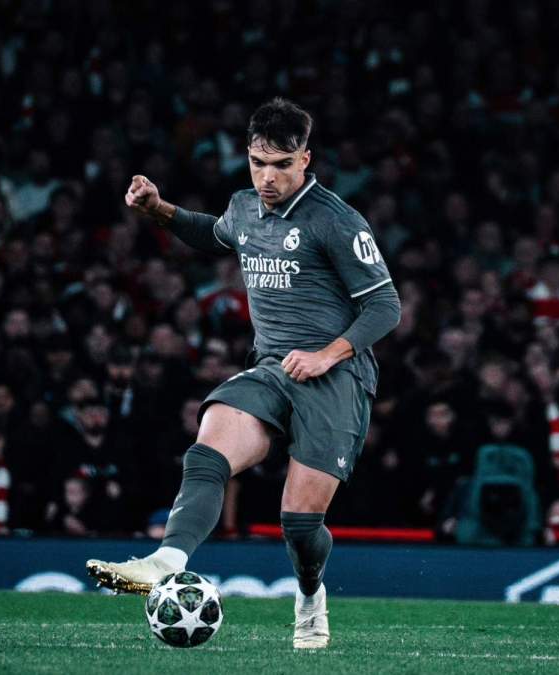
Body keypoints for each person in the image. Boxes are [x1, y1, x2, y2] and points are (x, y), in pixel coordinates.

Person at [86, 98, 400, 649]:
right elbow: (215, 233)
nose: (268, 177)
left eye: (281, 164)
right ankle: (166, 559)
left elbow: (385, 306)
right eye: (258, 162)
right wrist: (160, 209)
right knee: (208, 447)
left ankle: (309, 595)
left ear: (306, 159)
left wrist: (329, 354)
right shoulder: (245, 207)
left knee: (300, 525)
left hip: (336, 379)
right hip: (272, 369)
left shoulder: (335, 219)